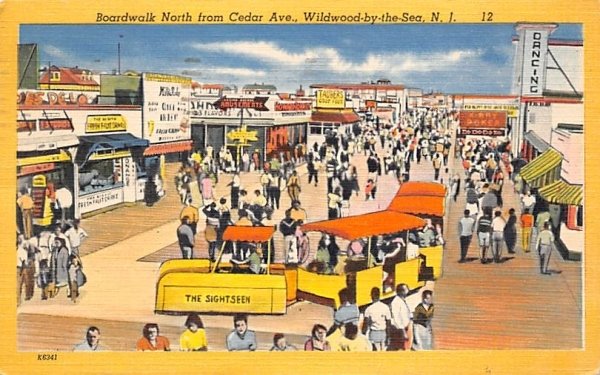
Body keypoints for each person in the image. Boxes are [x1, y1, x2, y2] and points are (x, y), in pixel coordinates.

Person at [389, 283, 413, 351]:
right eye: (406, 289)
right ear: (401, 291)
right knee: (400, 348)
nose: (408, 290)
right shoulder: (396, 302)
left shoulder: (402, 300)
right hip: (399, 331)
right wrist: (403, 332)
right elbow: (396, 318)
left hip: (404, 329)